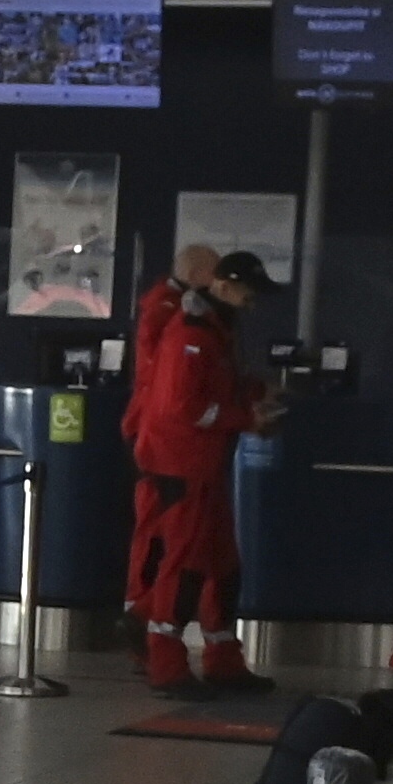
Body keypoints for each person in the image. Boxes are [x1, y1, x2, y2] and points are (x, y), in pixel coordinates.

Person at [126, 239, 268, 689]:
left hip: (205, 464)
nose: (253, 301)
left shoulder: (215, 330)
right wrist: (246, 419)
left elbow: (213, 389)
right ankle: (164, 658)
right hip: (179, 464)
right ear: (221, 285)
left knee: (222, 563)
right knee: (183, 563)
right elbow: (183, 406)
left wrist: (254, 396)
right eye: (248, 291)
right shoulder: (190, 332)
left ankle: (223, 657)